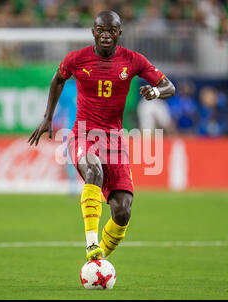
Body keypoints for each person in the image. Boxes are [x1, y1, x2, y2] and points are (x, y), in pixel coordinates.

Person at [28, 11, 175, 261]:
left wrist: (155, 91)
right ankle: (91, 244)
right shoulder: (77, 59)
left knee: (122, 211)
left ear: (119, 33)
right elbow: (58, 79)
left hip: (115, 139)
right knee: (94, 171)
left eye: (111, 30)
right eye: (101, 30)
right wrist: (47, 117)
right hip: (83, 134)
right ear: (93, 32)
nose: (106, 34)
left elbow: (168, 86)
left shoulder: (133, 60)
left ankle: (98, 262)